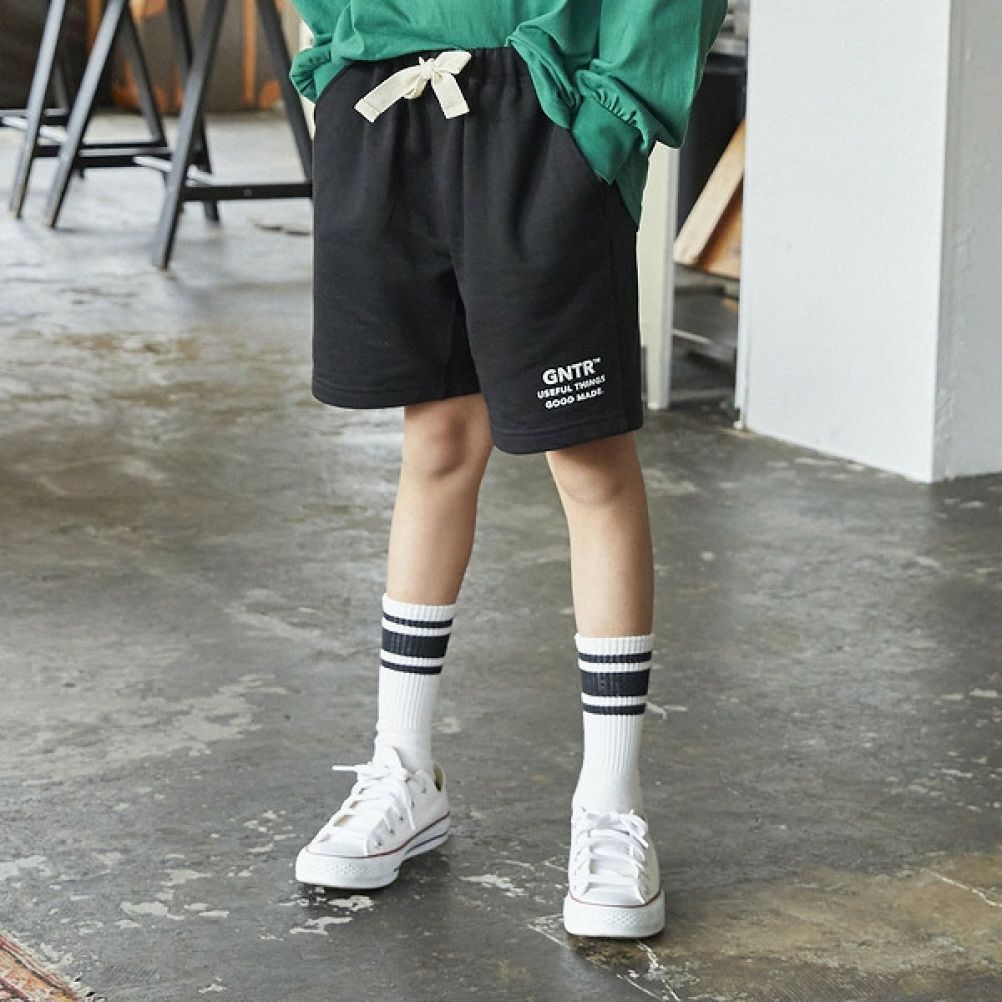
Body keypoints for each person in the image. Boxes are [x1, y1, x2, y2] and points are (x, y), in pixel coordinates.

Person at [287, 0, 728, 940]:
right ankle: (403, 769)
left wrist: (611, 119)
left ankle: (611, 801)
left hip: (544, 114)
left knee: (588, 459)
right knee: (438, 440)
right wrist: (334, 60)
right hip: (384, 107)